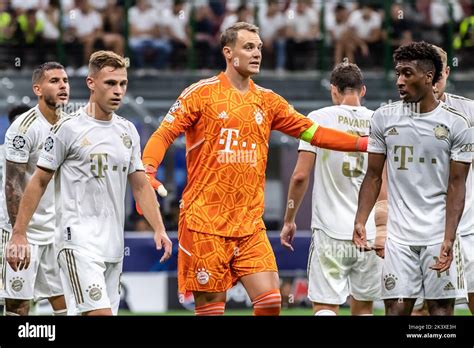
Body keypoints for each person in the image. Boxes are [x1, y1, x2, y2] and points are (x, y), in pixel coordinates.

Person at [141, 22, 368, 316]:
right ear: (228, 52)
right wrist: (148, 169)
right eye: (249, 47)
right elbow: (163, 134)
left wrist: (363, 144)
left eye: (259, 47)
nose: (257, 53)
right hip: (204, 223)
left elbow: (314, 133)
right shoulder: (200, 94)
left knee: (271, 300)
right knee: (211, 308)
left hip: (250, 225)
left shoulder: (268, 101)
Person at [7, 51, 172, 316]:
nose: (118, 90)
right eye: (110, 83)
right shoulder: (67, 129)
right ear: (91, 83)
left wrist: (159, 228)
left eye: (122, 84)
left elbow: (140, 185)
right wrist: (19, 232)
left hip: (114, 247)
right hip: (77, 243)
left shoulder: (128, 130)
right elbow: (37, 182)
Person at [353, 42, 471, 315]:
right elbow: (372, 176)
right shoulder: (384, 118)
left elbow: (457, 185)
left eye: (407, 73)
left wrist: (449, 238)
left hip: (438, 235)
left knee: (440, 313)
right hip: (399, 238)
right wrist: (361, 219)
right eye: (397, 74)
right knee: (395, 311)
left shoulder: (457, 124)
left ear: (429, 77)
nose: (399, 81)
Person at [280, 62, 383, 316]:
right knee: (363, 309)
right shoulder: (378, 121)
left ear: (333, 90)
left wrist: (289, 219)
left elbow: (300, 176)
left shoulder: (319, 118)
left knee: (325, 307)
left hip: (330, 231)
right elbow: (384, 179)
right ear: (363, 90)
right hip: (368, 231)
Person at [0, 63, 69, 316]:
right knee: (18, 304)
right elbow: (13, 184)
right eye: (54, 81)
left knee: (65, 302)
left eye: (65, 80)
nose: (63, 85)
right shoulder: (24, 129)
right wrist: (18, 234)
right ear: (38, 89)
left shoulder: (70, 126)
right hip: (24, 232)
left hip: (57, 231)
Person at [0, 104, 30, 313]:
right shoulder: (2, 153)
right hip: (4, 225)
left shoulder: (43, 152)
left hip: (31, 228)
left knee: (21, 292)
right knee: (8, 291)